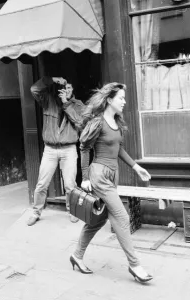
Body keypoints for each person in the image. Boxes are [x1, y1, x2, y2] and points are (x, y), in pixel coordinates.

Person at [69, 82, 153, 283]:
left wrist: (136, 167)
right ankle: (135, 265)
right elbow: (84, 148)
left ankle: (76, 255)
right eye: (121, 98)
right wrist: (86, 178)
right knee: (122, 218)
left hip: (112, 176)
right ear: (109, 100)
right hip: (99, 175)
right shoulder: (97, 123)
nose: (124, 101)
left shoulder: (116, 122)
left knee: (97, 220)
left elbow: (119, 149)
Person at [27, 76, 84, 226]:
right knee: (41, 184)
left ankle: (72, 211)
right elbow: (34, 89)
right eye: (65, 88)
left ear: (73, 90)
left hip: (69, 149)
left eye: (70, 88)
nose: (67, 91)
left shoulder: (78, 105)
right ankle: (36, 212)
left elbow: (80, 123)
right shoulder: (48, 101)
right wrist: (51, 79)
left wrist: (66, 104)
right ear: (59, 89)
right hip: (50, 149)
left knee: (70, 185)